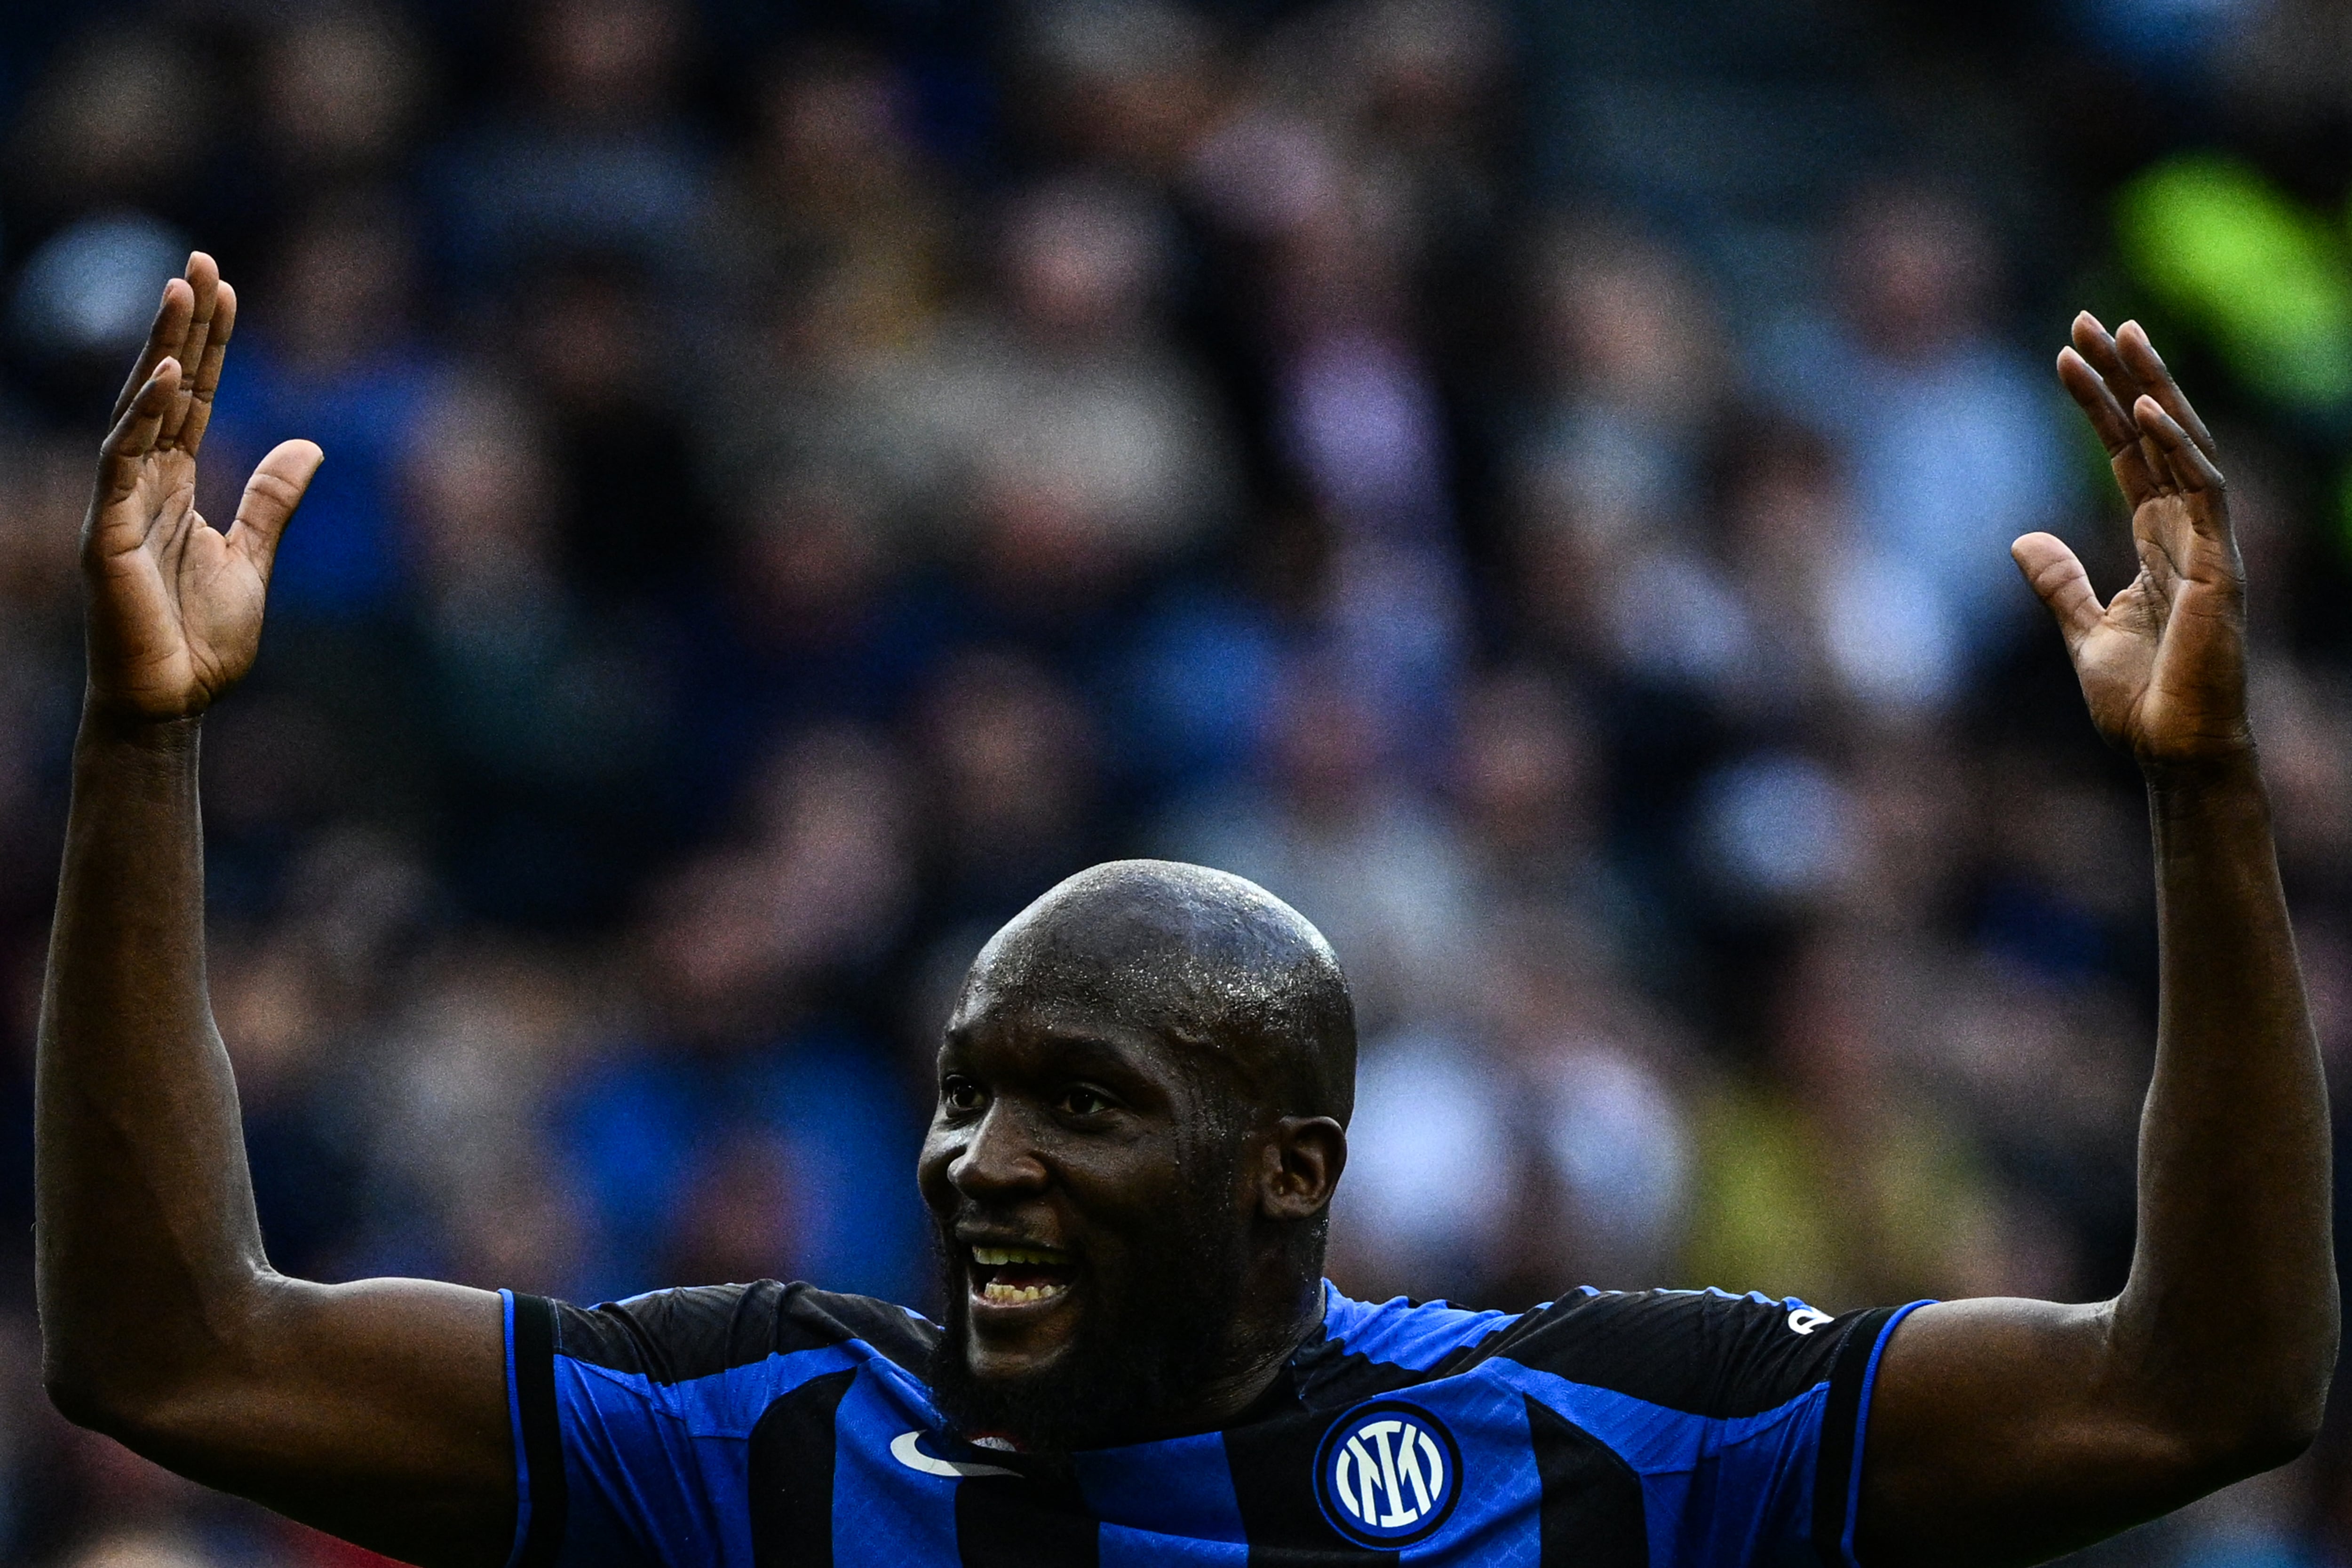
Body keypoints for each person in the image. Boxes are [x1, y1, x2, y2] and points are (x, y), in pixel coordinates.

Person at [33, 255, 2335, 1568]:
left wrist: (2204, 796)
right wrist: (140, 746)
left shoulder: (1610, 1439)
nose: (976, 1160)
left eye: (1077, 1102)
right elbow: (179, 1356)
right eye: (963, 1094)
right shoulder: (757, 1432)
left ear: (1287, 1169)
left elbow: (2201, 1391)